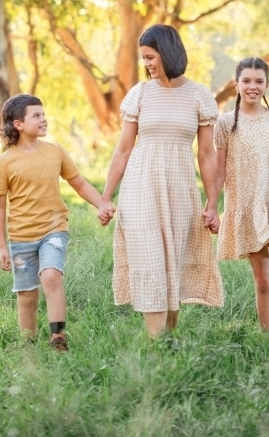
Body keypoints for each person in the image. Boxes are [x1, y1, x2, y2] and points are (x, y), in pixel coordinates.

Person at [99, 24, 224, 337]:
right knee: (150, 262)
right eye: (144, 58)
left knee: (173, 267)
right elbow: (123, 149)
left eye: (151, 57)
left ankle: (168, 342)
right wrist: (106, 197)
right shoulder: (140, 93)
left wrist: (212, 203)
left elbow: (207, 155)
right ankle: (157, 348)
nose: (147, 64)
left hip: (180, 189)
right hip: (141, 187)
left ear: (168, 53)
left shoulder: (199, 95)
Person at [0, 94, 111, 351]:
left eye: (43, 114)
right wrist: (2, 246)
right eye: (36, 115)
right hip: (21, 236)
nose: (43, 119)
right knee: (26, 294)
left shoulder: (55, 152)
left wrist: (102, 203)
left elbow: (78, 183)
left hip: (54, 230)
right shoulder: (5, 162)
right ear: (18, 124)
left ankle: (58, 338)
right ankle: (28, 343)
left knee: (52, 276)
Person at [215, 57, 269, 340]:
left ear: (266, 84)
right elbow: (219, 171)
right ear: (237, 84)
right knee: (262, 279)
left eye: (259, 81)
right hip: (246, 206)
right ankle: (267, 338)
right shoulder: (225, 123)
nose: (253, 86)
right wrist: (212, 207)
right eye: (247, 81)